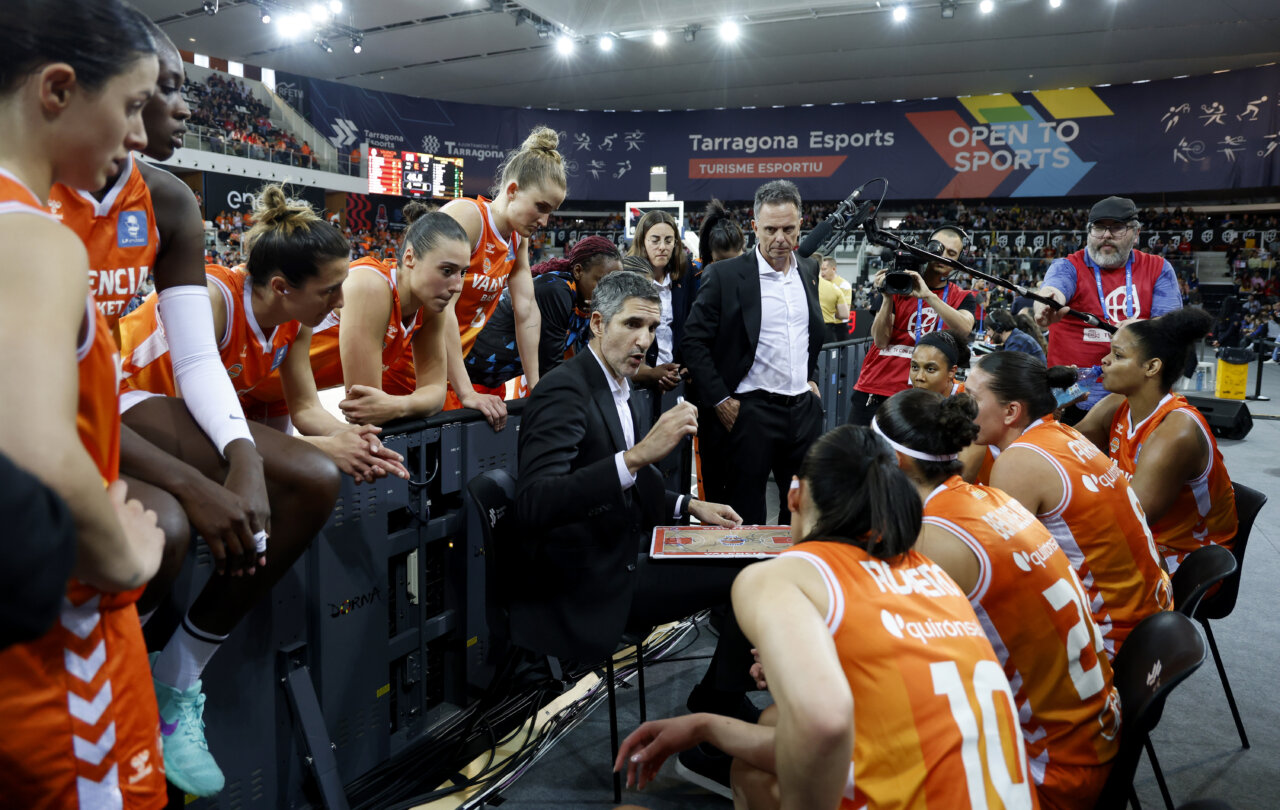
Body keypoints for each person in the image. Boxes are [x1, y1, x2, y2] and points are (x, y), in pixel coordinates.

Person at [615, 425, 1036, 809]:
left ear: (794, 496)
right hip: (1014, 788)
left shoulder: (779, 575)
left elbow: (825, 725)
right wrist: (706, 726)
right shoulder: (928, 570)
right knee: (773, 721)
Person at [0, 2, 168, 805]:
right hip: (60, 657)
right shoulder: (32, 237)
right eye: (133, 105)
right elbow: (33, 453)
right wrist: (124, 556)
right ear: (59, 88)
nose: (140, 135)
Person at [513, 272, 757, 770]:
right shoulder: (564, 391)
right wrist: (640, 454)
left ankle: (718, 702)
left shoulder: (615, 385)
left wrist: (688, 507)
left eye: (653, 326)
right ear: (598, 323)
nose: (645, 340)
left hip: (627, 551)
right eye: (633, 324)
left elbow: (632, 480)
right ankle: (713, 713)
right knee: (752, 574)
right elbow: (535, 502)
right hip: (593, 578)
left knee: (754, 551)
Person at [877, 390, 1120, 809]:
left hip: (1043, 771)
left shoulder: (932, 539)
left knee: (790, 748)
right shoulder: (992, 498)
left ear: (894, 461)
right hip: (1090, 734)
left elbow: (894, 672)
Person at [118, 186, 409, 484]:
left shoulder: (295, 318)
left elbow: (306, 408)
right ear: (281, 287)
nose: (341, 301)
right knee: (301, 472)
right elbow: (197, 426)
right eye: (329, 290)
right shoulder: (215, 301)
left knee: (297, 476)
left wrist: (350, 437)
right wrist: (325, 447)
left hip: (175, 420)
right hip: (123, 400)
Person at [966, 352, 1172, 658]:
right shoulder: (1063, 433)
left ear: (1011, 411)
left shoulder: (1019, 461)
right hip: (1150, 615)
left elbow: (999, 576)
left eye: (970, 399)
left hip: (1110, 637)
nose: (961, 410)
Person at [242, 201, 471, 427]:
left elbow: (435, 394)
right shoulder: (371, 285)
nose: (457, 285)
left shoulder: (431, 303)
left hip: (283, 398)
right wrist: (408, 404)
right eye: (447, 271)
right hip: (242, 385)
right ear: (409, 258)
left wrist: (397, 406)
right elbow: (365, 408)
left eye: (463, 272)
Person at [683, 180, 825, 525]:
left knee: (803, 510)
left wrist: (810, 377)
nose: (780, 238)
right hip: (750, 412)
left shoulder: (808, 269)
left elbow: (806, 333)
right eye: (771, 229)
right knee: (745, 515)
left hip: (802, 412)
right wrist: (719, 399)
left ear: (800, 226)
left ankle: (794, 575)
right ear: (754, 228)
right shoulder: (725, 275)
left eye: (789, 229)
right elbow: (693, 341)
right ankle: (744, 579)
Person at [1075, 308, 1237, 573]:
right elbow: (1063, 452)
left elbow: (1131, 519)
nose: (1104, 361)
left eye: (1118, 355)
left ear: (1151, 367)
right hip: (1144, 542)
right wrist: (1048, 409)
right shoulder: (1117, 405)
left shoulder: (1176, 431)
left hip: (1187, 559)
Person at [439, 126, 567, 430]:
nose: (545, 221)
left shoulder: (516, 239)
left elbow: (526, 311)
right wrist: (467, 391)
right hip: (413, 361)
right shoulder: (467, 217)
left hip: (448, 366)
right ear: (512, 191)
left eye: (552, 212)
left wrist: (536, 387)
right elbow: (438, 310)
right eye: (541, 207)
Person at [1033, 196, 1182, 424]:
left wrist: (1144, 329)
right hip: (1072, 398)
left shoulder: (1158, 268)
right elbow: (1054, 289)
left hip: (1135, 399)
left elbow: (1172, 326)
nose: (1106, 235)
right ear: (1088, 232)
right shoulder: (1069, 265)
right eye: (1099, 227)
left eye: (1117, 228)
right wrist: (1046, 303)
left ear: (1136, 233)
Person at [849, 224, 977, 426]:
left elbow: (963, 329)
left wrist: (927, 295)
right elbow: (881, 341)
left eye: (951, 253)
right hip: (876, 388)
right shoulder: (897, 282)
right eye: (938, 248)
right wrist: (887, 297)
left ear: (959, 262)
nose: (942, 255)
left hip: (925, 397)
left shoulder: (962, 297)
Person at [465, 235, 621, 395]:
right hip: (461, 377)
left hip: (489, 382)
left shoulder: (586, 303)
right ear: (578, 271)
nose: (607, 291)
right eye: (601, 281)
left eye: (613, 285)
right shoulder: (557, 290)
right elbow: (550, 366)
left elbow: (585, 359)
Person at [623, 210, 695, 393]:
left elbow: (689, 326)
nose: (662, 247)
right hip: (639, 384)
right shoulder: (627, 278)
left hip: (677, 380)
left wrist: (687, 365)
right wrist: (652, 373)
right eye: (655, 240)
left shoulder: (685, 276)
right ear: (642, 242)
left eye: (668, 241)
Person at [909, 329, 970, 396]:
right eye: (915, 367)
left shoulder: (969, 399)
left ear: (951, 372)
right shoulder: (907, 401)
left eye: (930, 369)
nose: (919, 377)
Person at [697, 198, 745, 269]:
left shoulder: (753, 272)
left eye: (735, 261)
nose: (729, 268)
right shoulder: (695, 273)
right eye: (720, 262)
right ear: (710, 253)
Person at [817, 254, 852, 344]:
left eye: (824, 269)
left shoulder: (843, 285)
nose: (822, 272)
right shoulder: (820, 283)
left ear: (833, 269)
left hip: (839, 327)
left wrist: (827, 310)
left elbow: (845, 313)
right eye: (821, 269)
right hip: (823, 325)